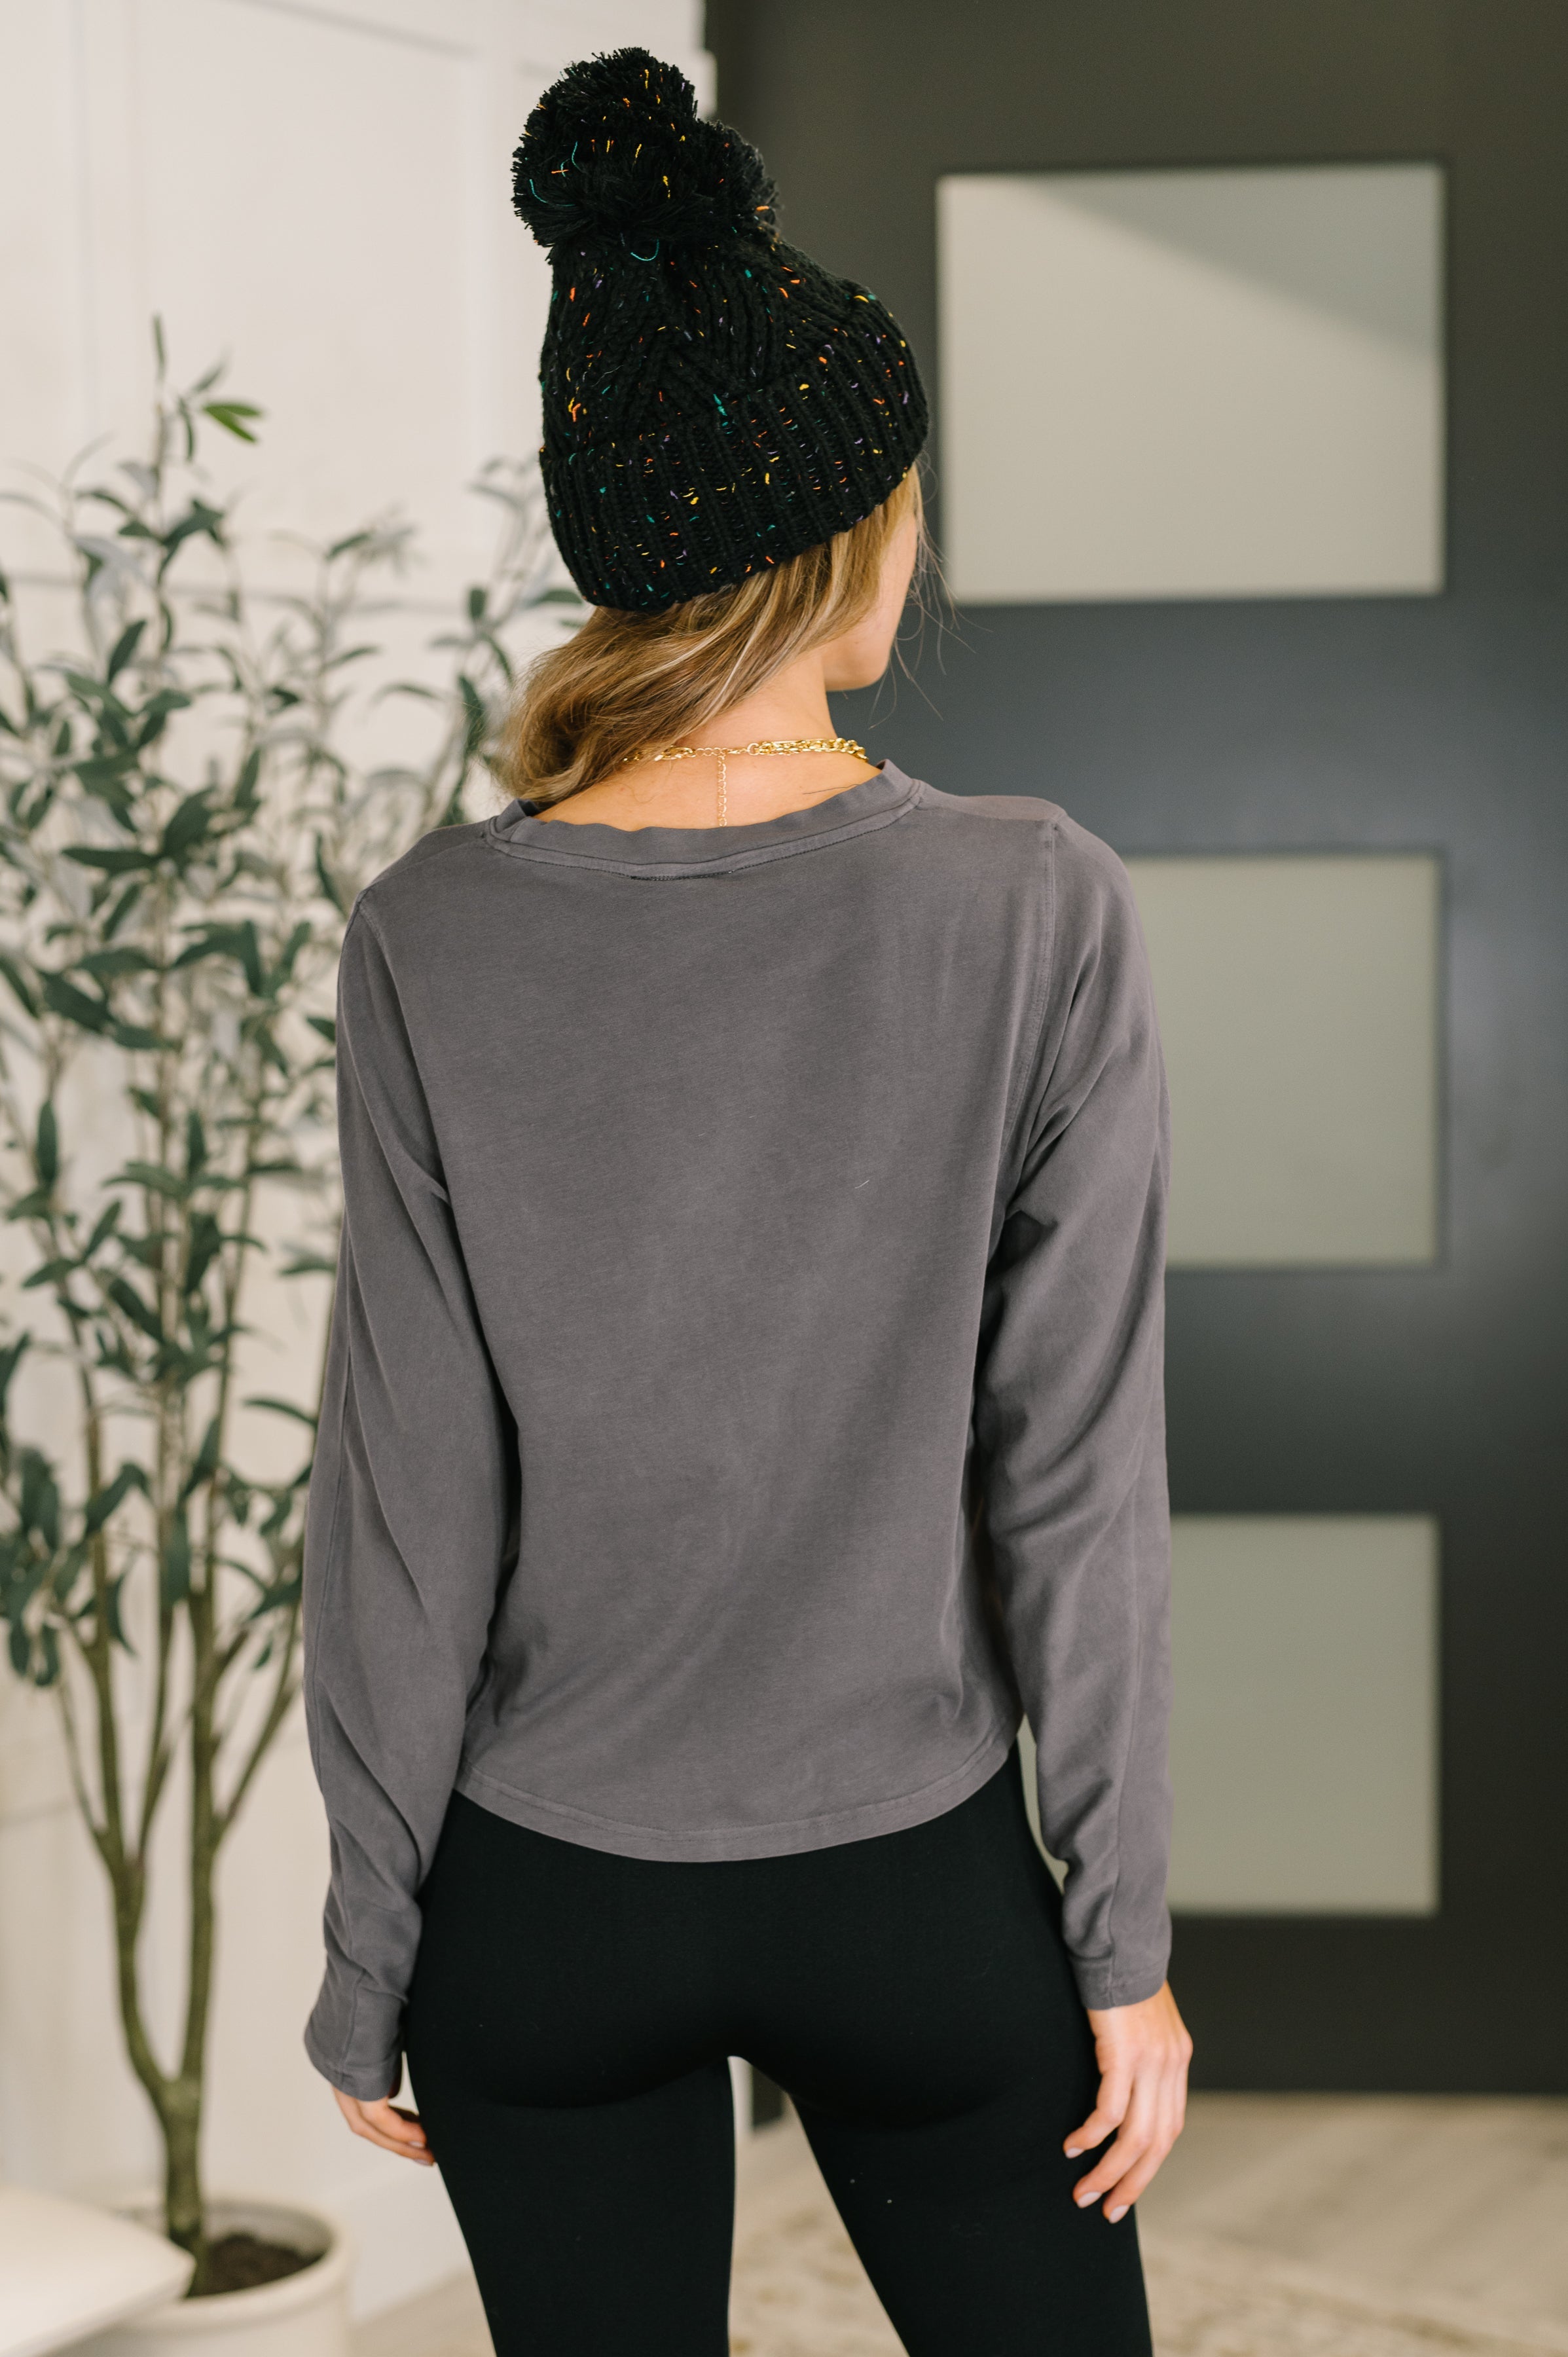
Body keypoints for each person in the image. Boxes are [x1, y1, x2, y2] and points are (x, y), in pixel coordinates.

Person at [302, 46, 1191, 2357]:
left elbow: (406, 1498)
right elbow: (1073, 1478)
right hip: (909, 1888)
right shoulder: (1035, 906)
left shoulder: (429, 935)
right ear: (846, 540)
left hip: (540, 1903)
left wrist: (368, 1952)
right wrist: (1123, 1941)